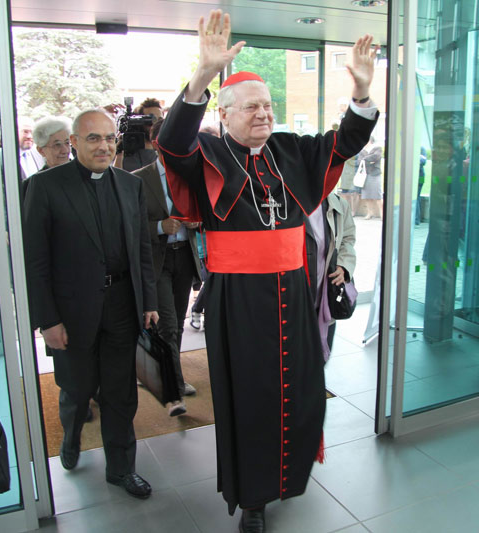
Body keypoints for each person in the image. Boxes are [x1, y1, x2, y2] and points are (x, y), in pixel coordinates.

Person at [155, 10, 378, 532]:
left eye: (269, 105)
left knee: (301, 386)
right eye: (252, 106)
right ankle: (253, 498)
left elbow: (346, 142)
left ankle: (289, 475)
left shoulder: (291, 150)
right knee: (251, 395)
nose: (264, 113)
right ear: (225, 113)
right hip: (238, 298)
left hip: (294, 293)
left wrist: (362, 92)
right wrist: (202, 74)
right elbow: (171, 142)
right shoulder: (208, 153)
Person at [23, 108, 159, 499]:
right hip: (71, 312)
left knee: (120, 392)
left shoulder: (130, 185)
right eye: (93, 138)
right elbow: (35, 261)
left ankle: (122, 468)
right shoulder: (45, 186)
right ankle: (71, 437)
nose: (104, 146)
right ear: (74, 143)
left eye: (109, 138)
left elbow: (141, 249)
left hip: (121, 304)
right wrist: (47, 320)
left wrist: (148, 300)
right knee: (77, 387)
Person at [133, 118, 202, 417]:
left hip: (184, 257)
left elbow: (205, 212)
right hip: (156, 261)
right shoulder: (138, 179)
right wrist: (160, 227)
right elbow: (130, 227)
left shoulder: (191, 175)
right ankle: (174, 391)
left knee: (177, 324)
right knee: (168, 325)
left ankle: (169, 375)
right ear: (157, 144)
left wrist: (198, 222)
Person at [305, 191, 357, 361]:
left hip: (325, 296)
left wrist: (343, 265)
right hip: (296, 297)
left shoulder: (338, 204)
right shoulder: (290, 202)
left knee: (320, 358)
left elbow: (348, 239)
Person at [358, 136, 383, 220]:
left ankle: (382, 214)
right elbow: (359, 161)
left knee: (377, 195)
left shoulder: (377, 148)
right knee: (367, 195)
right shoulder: (362, 151)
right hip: (365, 175)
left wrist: (365, 160)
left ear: (370, 141)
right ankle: (369, 213)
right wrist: (369, 161)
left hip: (375, 174)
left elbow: (376, 157)